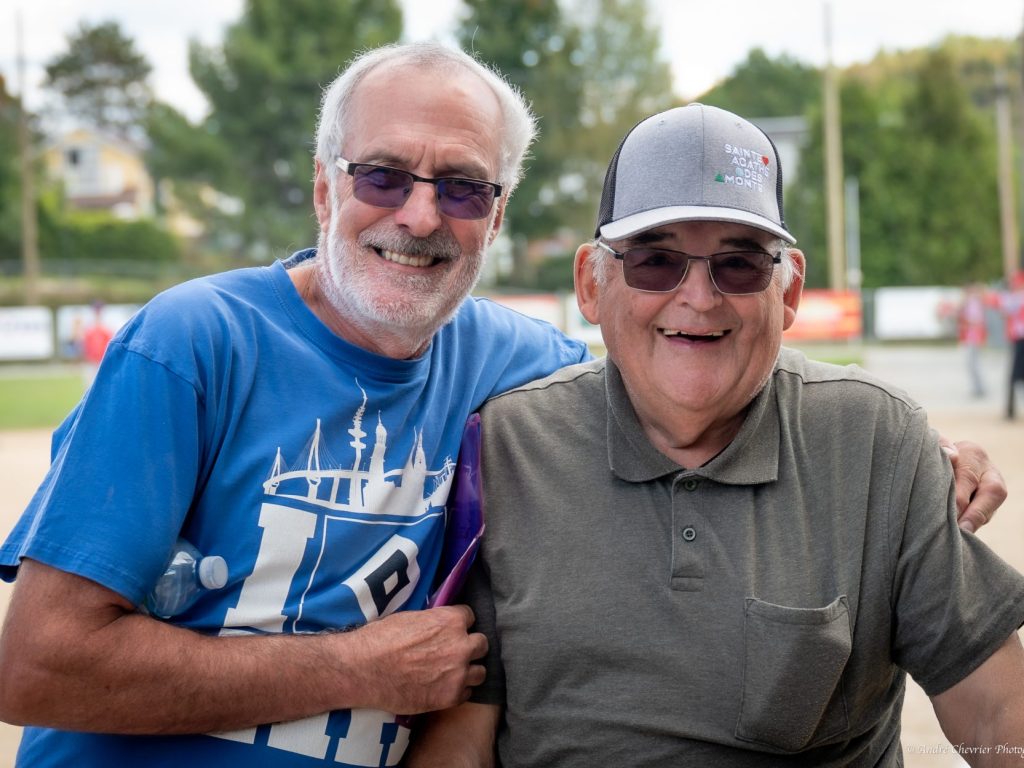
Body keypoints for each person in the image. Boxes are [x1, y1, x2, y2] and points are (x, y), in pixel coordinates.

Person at [0, 43, 592, 768]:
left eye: (464, 188)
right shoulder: (194, 341)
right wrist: (359, 669)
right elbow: (38, 669)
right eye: (383, 176)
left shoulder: (517, 361)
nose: (420, 214)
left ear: (497, 217)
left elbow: (660, 387)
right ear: (324, 190)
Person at [407, 104, 1024, 766]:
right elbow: (465, 734)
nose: (699, 297)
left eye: (740, 264)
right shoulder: (511, 447)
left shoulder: (875, 440)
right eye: (655, 260)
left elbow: (996, 709)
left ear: (787, 292)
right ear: (592, 282)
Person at [995, 271, 1024, 419]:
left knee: (1014, 377)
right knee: (1014, 377)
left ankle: (1011, 411)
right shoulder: (1015, 298)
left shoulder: (1018, 297)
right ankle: (1010, 410)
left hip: (1020, 340)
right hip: (1018, 340)